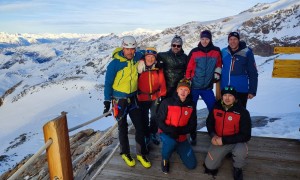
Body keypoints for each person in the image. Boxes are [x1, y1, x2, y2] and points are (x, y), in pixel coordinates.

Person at [103, 36, 151, 168]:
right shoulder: (114, 64)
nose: (130, 52)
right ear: (123, 48)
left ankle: (141, 154)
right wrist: (107, 102)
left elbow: (146, 53)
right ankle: (125, 153)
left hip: (133, 98)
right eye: (127, 49)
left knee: (140, 126)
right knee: (122, 128)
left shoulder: (136, 57)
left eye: (132, 49)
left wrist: (143, 58)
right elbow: (108, 83)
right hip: (119, 100)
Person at [203, 86, 251, 180]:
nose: (227, 98)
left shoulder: (243, 112)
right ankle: (226, 153)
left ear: (235, 98)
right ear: (222, 96)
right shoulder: (216, 107)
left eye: (230, 96)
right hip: (219, 139)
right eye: (225, 95)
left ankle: (238, 168)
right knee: (209, 167)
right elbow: (209, 123)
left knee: (241, 151)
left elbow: (246, 135)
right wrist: (213, 135)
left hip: (236, 141)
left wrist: (224, 140)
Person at [185, 30, 222, 146]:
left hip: (207, 88)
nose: (204, 41)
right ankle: (193, 134)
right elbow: (189, 68)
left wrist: (217, 73)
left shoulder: (216, 51)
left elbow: (219, 64)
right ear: (200, 39)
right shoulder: (194, 52)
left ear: (210, 39)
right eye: (202, 39)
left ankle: (214, 132)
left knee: (214, 109)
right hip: (194, 87)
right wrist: (188, 80)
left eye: (207, 39)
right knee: (192, 111)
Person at [156, 79, 197, 174]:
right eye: (181, 89)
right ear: (177, 90)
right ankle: (165, 159)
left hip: (181, 136)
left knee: (192, 165)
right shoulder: (167, 102)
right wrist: (170, 130)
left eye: (186, 90)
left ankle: (177, 147)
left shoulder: (191, 105)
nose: (183, 92)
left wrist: (179, 132)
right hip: (166, 133)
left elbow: (192, 124)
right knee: (170, 142)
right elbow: (159, 120)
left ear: (189, 92)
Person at [137, 47, 167, 146]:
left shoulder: (158, 68)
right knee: (144, 117)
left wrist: (160, 94)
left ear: (155, 58)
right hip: (142, 97)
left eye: (153, 57)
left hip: (155, 96)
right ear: (145, 57)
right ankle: (147, 135)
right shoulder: (139, 68)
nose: (150, 59)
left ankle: (153, 133)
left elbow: (162, 83)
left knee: (155, 117)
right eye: (148, 56)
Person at [221, 31, 258, 108]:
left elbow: (253, 72)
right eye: (230, 39)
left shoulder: (247, 52)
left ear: (238, 40)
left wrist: (252, 91)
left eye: (235, 39)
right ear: (228, 41)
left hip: (240, 90)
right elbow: (217, 65)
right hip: (225, 90)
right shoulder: (224, 51)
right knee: (226, 114)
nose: (232, 41)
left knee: (240, 114)